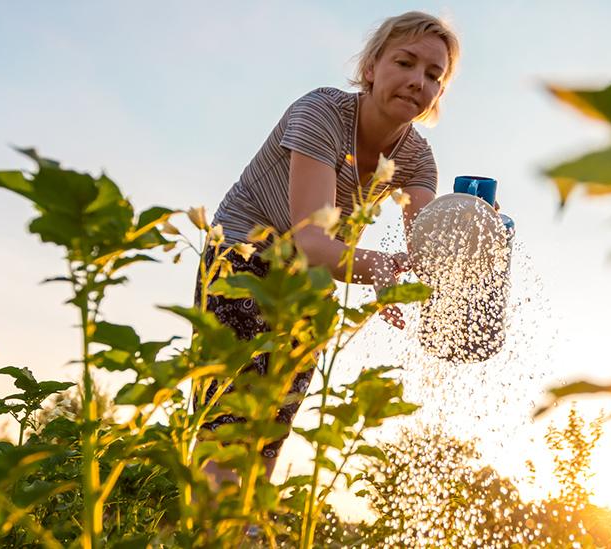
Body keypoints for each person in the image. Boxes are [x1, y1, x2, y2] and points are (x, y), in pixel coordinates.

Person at [195, 11, 461, 489]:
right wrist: (376, 266)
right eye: (405, 62)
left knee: (276, 414)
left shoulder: (418, 158)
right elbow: (311, 239)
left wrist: (474, 230)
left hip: (313, 275)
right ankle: (207, 530)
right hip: (244, 250)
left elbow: (429, 245)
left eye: (434, 76)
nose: (418, 81)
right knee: (230, 411)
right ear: (371, 67)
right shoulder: (321, 113)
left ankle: (242, 528)